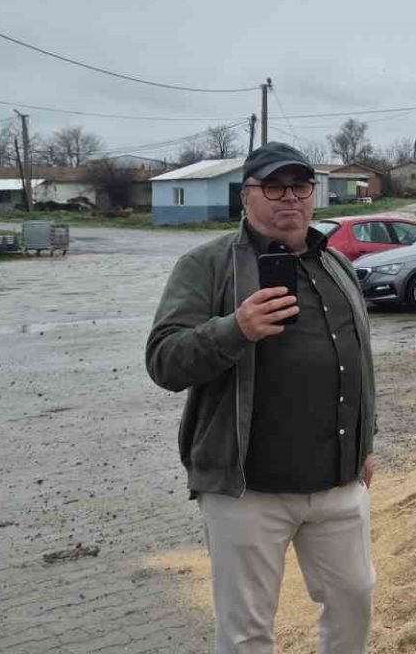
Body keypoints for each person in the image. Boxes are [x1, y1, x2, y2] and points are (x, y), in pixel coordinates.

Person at [146, 142, 378, 653]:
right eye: (273, 187)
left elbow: (358, 362)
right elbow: (163, 361)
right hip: (247, 489)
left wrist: (366, 441)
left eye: (300, 186)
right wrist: (236, 329)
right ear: (246, 195)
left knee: (354, 600)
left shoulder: (336, 264)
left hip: (337, 485)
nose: (289, 197)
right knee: (247, 631)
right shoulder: (207, 265)